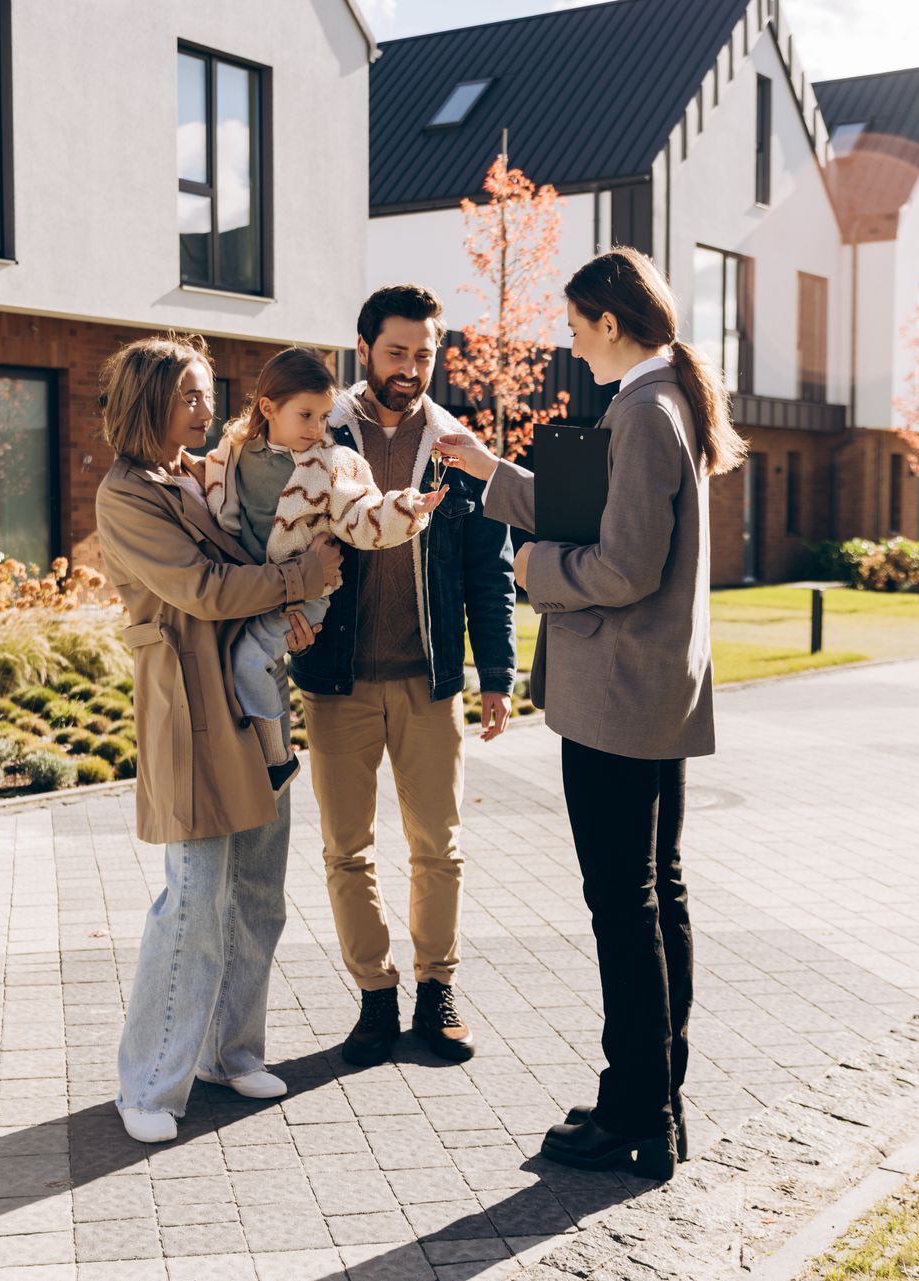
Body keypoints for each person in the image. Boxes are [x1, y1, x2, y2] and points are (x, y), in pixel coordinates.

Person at [433, 247, 746, 1181]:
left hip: (619, 695)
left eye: (574, 326)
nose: (569, 343)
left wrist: (530, 572)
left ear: (611, 322)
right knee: (656, 892)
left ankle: (636, 1115)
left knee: (625, 903)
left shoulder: (646, 411)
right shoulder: (658, 401)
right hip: (650, 690)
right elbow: (590, 512)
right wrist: (488, 469)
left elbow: (619, 567)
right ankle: (653, 1098)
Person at [94, 334, 344, 1145]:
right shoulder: (127, 494)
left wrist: (289, 617)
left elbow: (250, 561)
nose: (209, 409)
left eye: (209, 394)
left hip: (252, 697)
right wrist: (304, 581)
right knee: (195, 899)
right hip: (189, 706)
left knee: (259, 891)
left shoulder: (197, 477)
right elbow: (202, 589)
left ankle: (230, 1053)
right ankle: (149, 1085)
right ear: (150, 401)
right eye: (192, 395)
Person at [290, 285, 519, 1068]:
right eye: (396, 352)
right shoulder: (324, 435)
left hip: (429, 684)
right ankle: (374, 997)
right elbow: (277, 530)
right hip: (338, 681)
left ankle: (436, 991)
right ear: (364, 349)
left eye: (423, 354)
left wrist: (497, 671)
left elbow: (491, 571)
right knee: (346, 849)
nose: (411, 369)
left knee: (438, 848)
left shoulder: (458, 447)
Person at [199, 346, 448, 794]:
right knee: (227, 667)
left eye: (324, 416)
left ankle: (277, 759)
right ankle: (248, 756)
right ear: (268, 408)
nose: (318, 429)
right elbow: (211, 497)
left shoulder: (333, 464)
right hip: (254, 590)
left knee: (248, 660)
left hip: (304, 598)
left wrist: (407, 507)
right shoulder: (232, 453)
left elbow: (363, 515)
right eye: (306, 416)